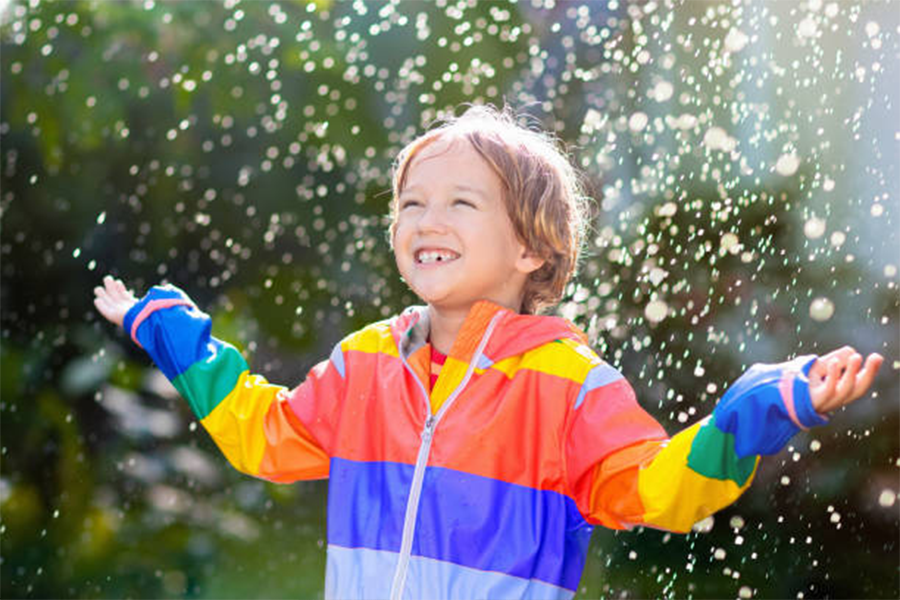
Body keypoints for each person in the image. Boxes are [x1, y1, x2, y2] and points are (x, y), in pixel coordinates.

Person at [94, 105, 882, 600]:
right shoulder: (368, 362)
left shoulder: (569, 384)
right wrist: (166, 330)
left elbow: (655, 492)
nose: (426, 220)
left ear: (532, 250)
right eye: (411, 204)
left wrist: (758, 413)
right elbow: (265, 437)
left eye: (461, 203)